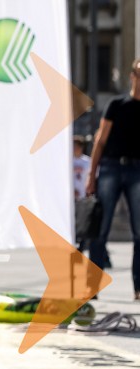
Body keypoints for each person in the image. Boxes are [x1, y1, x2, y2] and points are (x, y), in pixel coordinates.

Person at [85, 58, 140, 300]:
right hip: (110, 168)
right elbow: (100, 140)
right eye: (139, 72)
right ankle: (92, 286)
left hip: (138, 170)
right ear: (132, 76)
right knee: (100, 228)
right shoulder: (116, 105)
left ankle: (139, 287)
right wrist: (91, 175)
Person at [72, 135, 91, 200]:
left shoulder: (88, 161)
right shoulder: (68, 161)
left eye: (76, 146)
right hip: (70, 196)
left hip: (84, 195)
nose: (74, 149)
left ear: (81, 147)